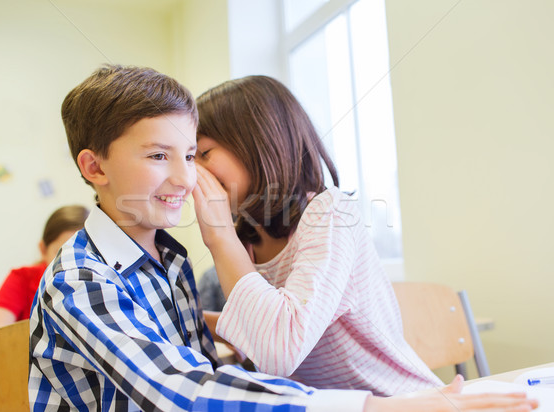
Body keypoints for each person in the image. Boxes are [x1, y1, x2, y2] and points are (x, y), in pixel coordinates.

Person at [28, 64, 537, 412]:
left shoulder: (317, 215)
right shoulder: (88, 275)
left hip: (400, 399)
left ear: (258, 144)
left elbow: (255, 351)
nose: (188, 178)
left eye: (195, 154)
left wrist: (219, 245)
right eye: (164, 156)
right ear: (95, 167)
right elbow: (185, 382)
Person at [192, 75, 442, 394]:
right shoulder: (246, 244)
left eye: (204, 153)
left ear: (259, 142)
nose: (192, 172)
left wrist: (219, 237)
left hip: (403, 400)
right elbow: (259, 330)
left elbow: (279, 349)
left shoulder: (330, 213)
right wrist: (195, 318)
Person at [0, 205, 88, 333]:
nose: (73, 265)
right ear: (43, 250)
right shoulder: (22, 279)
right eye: (62, 254)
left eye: (83, 255)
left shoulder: (105, 283)